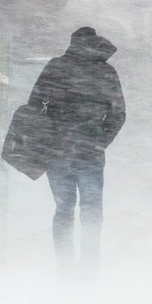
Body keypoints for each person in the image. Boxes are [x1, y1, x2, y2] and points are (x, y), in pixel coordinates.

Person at [28, 26, 126, 275]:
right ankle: (90, 265)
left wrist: (48, 136)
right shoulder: (105, 71)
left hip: (57, 153)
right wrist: (100, 140)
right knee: (91, 211)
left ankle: (64, 265)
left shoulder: (56, 67)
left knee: (63, 209)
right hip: (90, 154)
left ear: (72, 43)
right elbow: (118, 114)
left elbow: (33, 107)